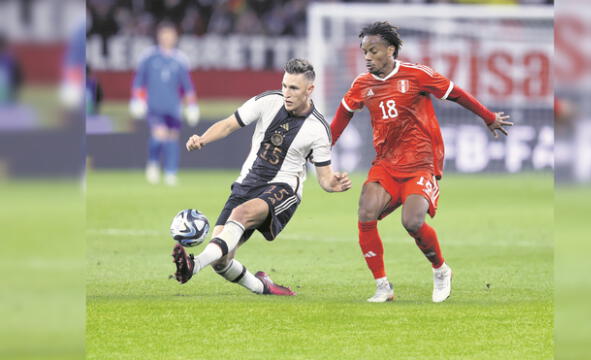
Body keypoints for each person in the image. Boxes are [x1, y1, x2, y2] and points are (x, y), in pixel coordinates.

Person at [330, 22, 513, 303]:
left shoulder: (416, 75)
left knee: (412, 221)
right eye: (364, 51)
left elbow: (456, 93)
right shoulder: (361, 85)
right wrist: (321, 151)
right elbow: (341, 118)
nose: (367, 56)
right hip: (386, 163)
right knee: (366, 212)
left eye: (373, 51)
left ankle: (441, 270)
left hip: (422, 161)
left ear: (390, 50)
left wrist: (488, 116)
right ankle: (382, 286)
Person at [171, 58, 352, 295]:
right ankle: (262, 287)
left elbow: (325, 177)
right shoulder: (268, 101)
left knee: (241, 214)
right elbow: (228, 125)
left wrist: (333, 184)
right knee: (221, 259)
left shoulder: (318, 129)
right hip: (247, 184)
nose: (286, 93)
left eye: (294, 88)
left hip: (283, 189)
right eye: (284, 85)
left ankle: (192, 267)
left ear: (310, 90)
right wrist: (202, 139)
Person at [130, 21, 199, 186]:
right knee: (159, 134)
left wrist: (192, 106)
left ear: (175, 37)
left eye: (171, 34)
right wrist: (137, 100)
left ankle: (170, 172)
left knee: (173, 138)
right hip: (154, 106)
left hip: (173, 107)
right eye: (164, 34)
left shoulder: (180, 59)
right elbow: (139, 81)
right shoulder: (149, 57)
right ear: (159, 36)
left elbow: (187, 87)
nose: (168, 38)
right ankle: (153, 164)